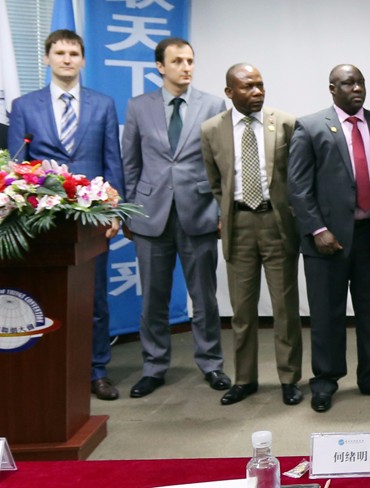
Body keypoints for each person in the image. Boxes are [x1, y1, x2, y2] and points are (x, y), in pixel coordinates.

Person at [8, 30, 122, 400]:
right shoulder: (25, 106)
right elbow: (16, 166)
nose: (67, 59)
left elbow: (113, 161)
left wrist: (115, 212)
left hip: (92, 219)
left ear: (83, 60)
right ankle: (50, 370)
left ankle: (97, 371)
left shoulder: (103, 104)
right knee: (48, 295)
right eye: (59, 53)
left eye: (74, 53)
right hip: (43, 221)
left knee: (95, 298)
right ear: (47, 58)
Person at [287, 64, 370, 413]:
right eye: (348, 83)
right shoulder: (310, 127)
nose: (356, 88)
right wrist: (317, 230)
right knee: (327, 314)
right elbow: (298, 186)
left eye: (360, 83)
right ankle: (325, 381)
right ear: (332, 89)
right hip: (327, 240)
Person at [121, 37, 227, 398]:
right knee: (153, 298)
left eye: (190, 61)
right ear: (160, 67)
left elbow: (221, 164)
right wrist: (130, 211)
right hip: (151, 215)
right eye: (178, 61)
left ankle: (211, 363)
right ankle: (153, 367)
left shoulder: (213, 104)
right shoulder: (139, 106)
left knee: (205, 297)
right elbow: (130, 162)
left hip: (199, 212)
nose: (186, 67)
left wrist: (220, 210)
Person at [199, 64, 304, 406]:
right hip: (239, 224)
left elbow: (297, 176)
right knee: (242, 311)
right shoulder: (211, 130)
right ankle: (245, 379)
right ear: (229, 92)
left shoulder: (285, 123)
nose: (257, 92)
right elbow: (215, 182)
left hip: (277, 223)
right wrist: (228, 212)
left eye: (260, 85)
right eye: (248, 87)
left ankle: (289, 378)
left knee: (285, 308)